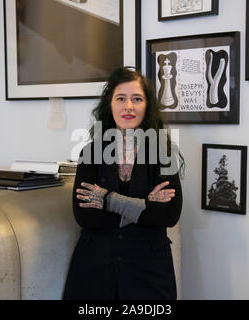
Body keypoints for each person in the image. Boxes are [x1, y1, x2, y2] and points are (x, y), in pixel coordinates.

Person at [63, 67, 184, 300]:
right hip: (94, 270)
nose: (129, 106)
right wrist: (145, 205)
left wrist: (108, 200)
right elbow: (85, 216)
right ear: (110, 103)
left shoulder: (163, 154)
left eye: (137, 99)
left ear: (147, 105)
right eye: (121, 98)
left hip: (149, 270)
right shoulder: (91, 152)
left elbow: (168, 215)